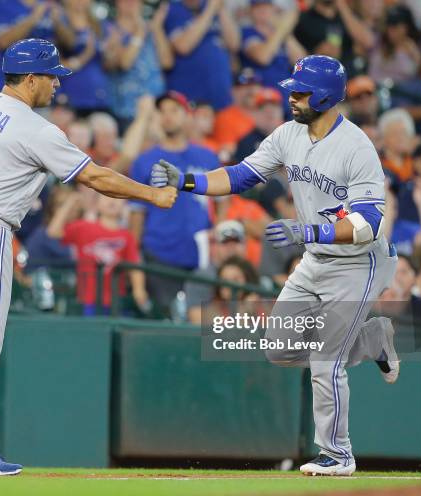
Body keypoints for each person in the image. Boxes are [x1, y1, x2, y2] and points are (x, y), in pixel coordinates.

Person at [0, 38, 176, 476]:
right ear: (30, 79)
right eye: (51, 77)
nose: (57, 85)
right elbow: (96, 177)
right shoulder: (33, 127)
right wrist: (151, 194)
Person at [151, 55, 400, 476]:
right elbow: (241, 175)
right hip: (315, 259)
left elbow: (369, 224)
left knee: (325, 359)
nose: (292, 97)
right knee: (277, 347)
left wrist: (310, 232)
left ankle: (338, 454)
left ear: (325, 95)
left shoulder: (357, 147)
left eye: (301, 91)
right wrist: (188, 181)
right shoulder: (288, 134)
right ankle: (373, 339)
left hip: (360, 263)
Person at [129, 90, 219, 310]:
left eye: (174, 110)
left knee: (202, 327)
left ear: (187, 115)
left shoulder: (207, 157)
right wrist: (135, 261)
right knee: (168, 320)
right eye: (162, 111)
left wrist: (215, 232)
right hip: (159, 254)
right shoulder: (145, 161)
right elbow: (136, 215)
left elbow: (222, 200)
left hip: (200, 255)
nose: (167, 116)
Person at [48, 192, 148, 316]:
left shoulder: (126, 236)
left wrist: (139, 289)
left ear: (125, 205)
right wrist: (70, 202)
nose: (112, 201)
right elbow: (53, 232)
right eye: (106, 196)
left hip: (115, 302)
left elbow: (135, 266)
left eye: (118, 197)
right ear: (97, 204)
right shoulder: (84, 227)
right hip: (87, 301)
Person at [163, 0, 240, 111]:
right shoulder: (173, 9)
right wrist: (210, 10)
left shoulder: (214, 7)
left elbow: (234, 44)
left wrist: (221, 9)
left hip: (221, 97)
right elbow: (183, 46)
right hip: (190, 97)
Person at [184, 220, 247, 325]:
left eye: (236, 242)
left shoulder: (256, 277)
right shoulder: (202, 277)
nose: (231, 247)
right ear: (215, 246)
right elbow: (197, 322)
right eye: (225, 242)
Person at [240, 0, 306, 90]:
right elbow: (263, 57)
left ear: (273, 9)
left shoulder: (282, 35)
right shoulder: (247, 32)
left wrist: (285, 32)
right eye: (258, 6)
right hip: (261, 92)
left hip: (286, 92)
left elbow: (302, 63)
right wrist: (282, 29)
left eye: (266, 6)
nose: (262, 10)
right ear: (250, 11)